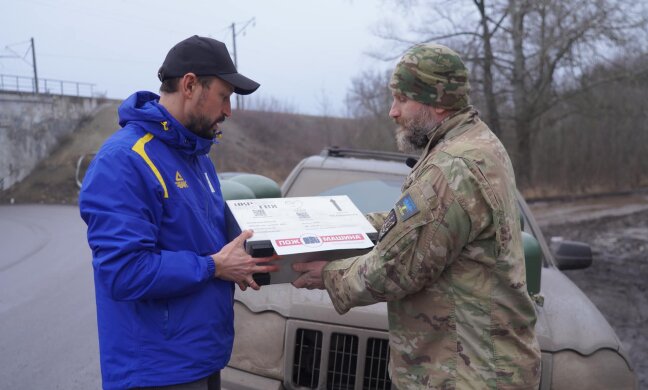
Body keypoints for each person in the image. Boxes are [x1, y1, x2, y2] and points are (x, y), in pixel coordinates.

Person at [292, 43, 541, 389]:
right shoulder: (476, 142)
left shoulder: (453, 167)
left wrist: (330, 274)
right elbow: (411, 223)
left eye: (402, 99)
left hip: (464, 375)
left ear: (438, 101)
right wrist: (341, 226)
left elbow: (396, 268)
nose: (393, 111)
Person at [79, 35, 278, 390]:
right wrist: (215, 265)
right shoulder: (125, 160)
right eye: (224, 96)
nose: (229, 111)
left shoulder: (197, 158)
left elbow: (210, 242)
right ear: (190, 85)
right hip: (155, 371)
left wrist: (244, 260)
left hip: (202, 358)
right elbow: (124, 271)